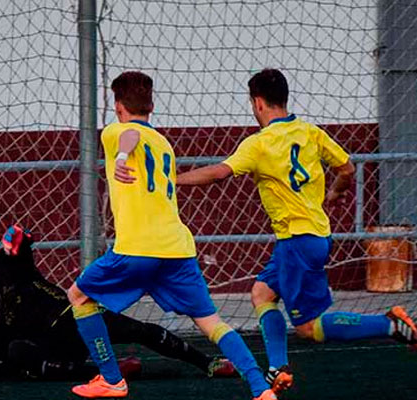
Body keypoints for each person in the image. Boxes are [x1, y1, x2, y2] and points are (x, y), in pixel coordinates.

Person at [176, 68, 417, 395]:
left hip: (297, 244)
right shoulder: (310, 132)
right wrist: (336, 192)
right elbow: (346, 168)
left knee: (309, 328)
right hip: (312, 237)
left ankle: (391, 325)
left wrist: (174, 179)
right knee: (262, 292)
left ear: (258, 103)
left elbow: (220, 173)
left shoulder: (259, 143)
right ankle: (278, 366)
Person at [66, 71, 275, 400]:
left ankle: (111, 380)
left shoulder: (116, 131)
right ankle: (261, 389)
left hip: (137, 248)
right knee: (211, 324)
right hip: (177, 249)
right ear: (152, 106)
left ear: (118, 107)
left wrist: (120, 156)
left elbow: (129, 137)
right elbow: (138, 136)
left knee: (78, 297)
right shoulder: (163, 144)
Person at [0, 228, 236, 381]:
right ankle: (103, 372)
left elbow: (21, 241)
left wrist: (16, 236)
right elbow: (4, 361)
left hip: (72, 318)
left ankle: (208, 363)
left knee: (140, 330)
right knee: (18, 354)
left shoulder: (4, 262)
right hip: (53, 349)